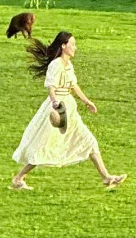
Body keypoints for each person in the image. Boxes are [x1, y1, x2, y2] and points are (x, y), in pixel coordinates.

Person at [11, 30, 126, 190]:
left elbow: (73, 85)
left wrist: (87, 101)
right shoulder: (55, 65)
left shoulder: (69, 65)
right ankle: (18, 178)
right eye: (72, 44)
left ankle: (106, 177)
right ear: (64, 46)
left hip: (70, 108)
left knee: (89, 140)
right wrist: (55, 103)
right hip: (58, 109)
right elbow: (51, 88)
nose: (75, 48)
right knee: (44, 145)